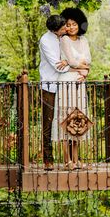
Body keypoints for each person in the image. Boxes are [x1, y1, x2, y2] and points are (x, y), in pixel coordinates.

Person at [52, 7, 92, 169]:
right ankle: (67, 160)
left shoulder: (84, 41)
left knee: (78, 119)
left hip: (80, 81)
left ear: (80, 24)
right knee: (65, 118)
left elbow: (88, 59)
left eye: (74, 24)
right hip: (66, 82)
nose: (71, 27)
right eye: (68, 24)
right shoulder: (64, 40)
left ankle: (76, 159)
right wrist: (79, 66)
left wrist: (83, 69)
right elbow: (75, 61)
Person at [38, 15, 70, 169]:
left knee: (66, 120)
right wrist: (73, 64)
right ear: (56, 29)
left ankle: (68, 158)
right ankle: (47, 159)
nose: (66, 28)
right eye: (63, 26)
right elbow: (57, 65)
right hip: (49, 87)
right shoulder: (46, 40)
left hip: (63, 85)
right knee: (48, 123)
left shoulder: (61, 38)